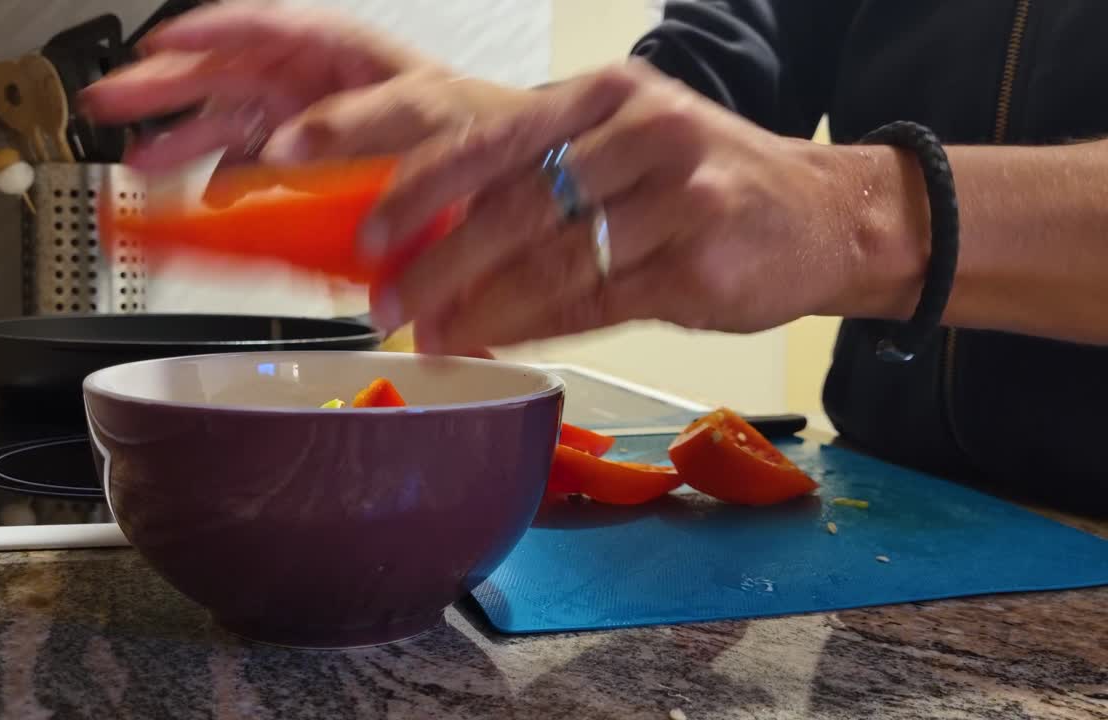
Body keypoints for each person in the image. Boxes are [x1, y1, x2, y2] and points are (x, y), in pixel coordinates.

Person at [81, 2, 1108, 512]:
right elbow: (710, 86)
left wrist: (867, 219)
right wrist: (501, 139)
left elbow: (814, 200)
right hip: (894, 514)